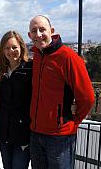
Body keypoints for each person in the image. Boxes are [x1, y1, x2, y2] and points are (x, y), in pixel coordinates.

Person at [28, 15, 95, 169]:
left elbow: (87, 97)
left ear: (51, 31)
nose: (38, 34)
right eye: (34, 31)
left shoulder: (68, 57)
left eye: (42, 29)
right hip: (36, 133)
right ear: (29, 35)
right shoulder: (37, 56)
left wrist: (73, 122)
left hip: (60, 137)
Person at [0, 31, 32, 169]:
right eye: (7, 48)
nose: (11, 51)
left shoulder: (30, 68)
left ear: (21, 47)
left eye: (14, 47)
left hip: (23, 133)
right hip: (4, 133)